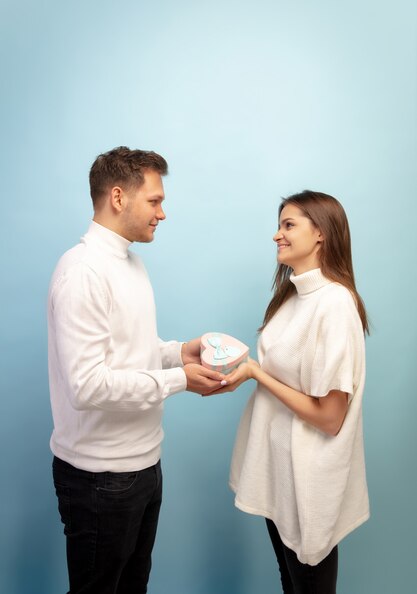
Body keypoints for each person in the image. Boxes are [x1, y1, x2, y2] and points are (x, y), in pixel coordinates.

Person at [48, 146, 227, 594]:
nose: (162, 213)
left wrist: (178, 352)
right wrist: (180, 380)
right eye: (155, 201)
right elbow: (87, 385)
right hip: (99, 479)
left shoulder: (130, 262)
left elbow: (130, 350)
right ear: (118, 197)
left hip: (144, 465)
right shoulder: (82, 271)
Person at [215, 190, 370, 593]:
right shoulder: (292, 296)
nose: (276, 236)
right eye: (279, 225)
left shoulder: (334, 304)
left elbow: (330, 418)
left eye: (288, 225)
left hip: (308, 483)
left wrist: (254, 373)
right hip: (280, 474)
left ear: (321, 234)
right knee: (291, 583)